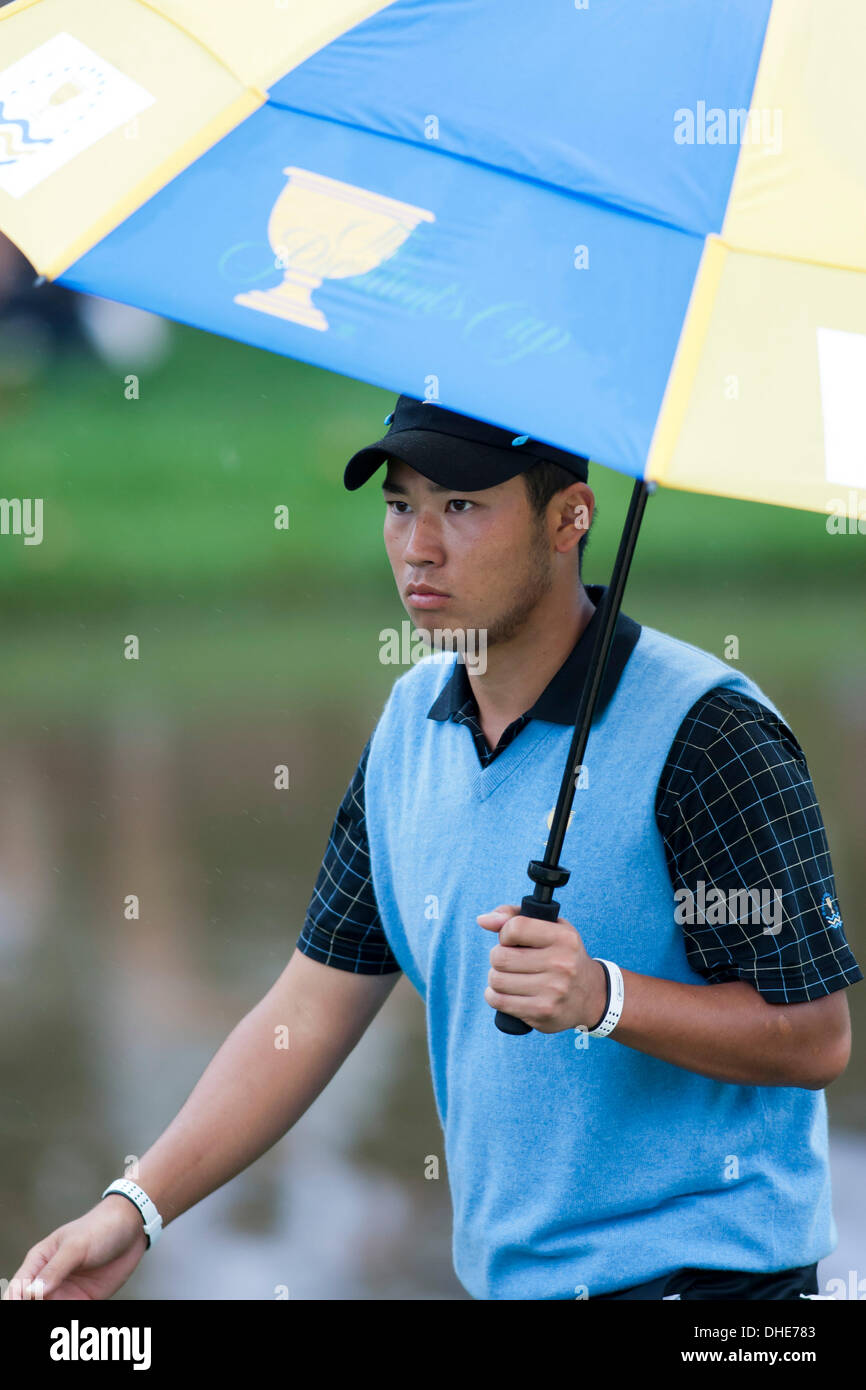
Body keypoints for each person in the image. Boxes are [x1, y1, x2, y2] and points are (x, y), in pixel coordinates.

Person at [4, 395, 861, 1303]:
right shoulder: (410, 726)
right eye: (401, 505)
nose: (419, 546)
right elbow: (312, 1006)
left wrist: (603, 997)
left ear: (571, 518)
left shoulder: (710, 734)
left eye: (461, 506)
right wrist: (137, 1206)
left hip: (720, 1300)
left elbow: (813, 1037)